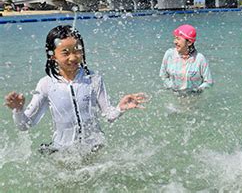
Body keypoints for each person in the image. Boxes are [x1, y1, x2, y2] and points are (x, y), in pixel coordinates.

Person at [4, 25, 147, 154]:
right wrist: (18, 110)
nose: (73, 57)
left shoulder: (93, 79)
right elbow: (24, 125)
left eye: (77, 51)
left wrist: (120, 108)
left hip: (94, 149)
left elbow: (109, 115)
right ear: (52, 56)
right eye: (65, 53)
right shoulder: (46, 84)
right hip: (63, 153)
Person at [160, 24, 213, 93]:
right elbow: (163, 75)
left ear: (189, 42)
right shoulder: (169, 54)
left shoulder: (200, 59)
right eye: (175, 38)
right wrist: (171, 88)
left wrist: (195, 91)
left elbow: (209, 82)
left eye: (178, 39)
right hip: (174, 96)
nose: (175, 42)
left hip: (194, 98)